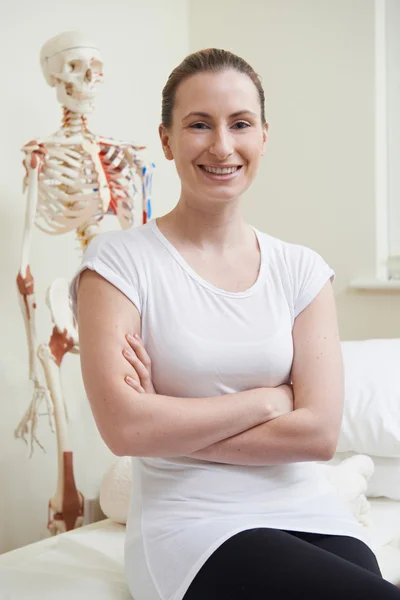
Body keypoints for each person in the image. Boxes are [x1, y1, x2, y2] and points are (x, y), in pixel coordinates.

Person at [69, 48, 400, 600]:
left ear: (263, 136)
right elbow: (124, 430)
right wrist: (271, 401)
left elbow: (318, 435)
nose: (222, 146)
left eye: (240, 124)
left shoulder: (301, 270)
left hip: (309, 509)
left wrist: (168, 424)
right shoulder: (118, 264)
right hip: (193, 526)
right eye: (199, 124)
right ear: (168, 139)